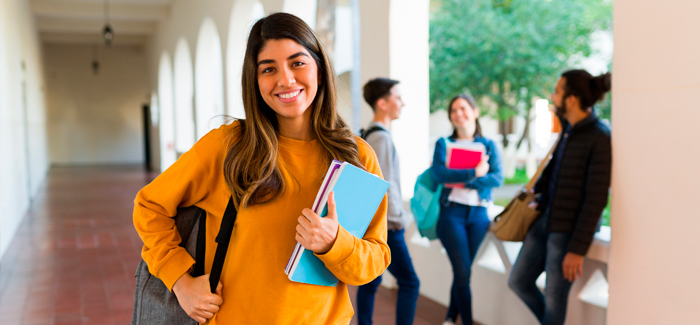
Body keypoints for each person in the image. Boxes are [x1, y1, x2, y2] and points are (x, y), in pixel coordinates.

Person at [133, 13, 391, 325]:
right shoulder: (228, 147)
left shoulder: (356, 156)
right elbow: (150, 207)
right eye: (269, 69)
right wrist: (181, 281)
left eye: (297, 63)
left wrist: (335, 243)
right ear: (255, 81)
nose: (285, 80)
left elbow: (374, 260)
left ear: (320, 71)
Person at [507, 70, 612, 325]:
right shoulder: (568, 130)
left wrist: (577, 248)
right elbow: (554, 171)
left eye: (557, 91)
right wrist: (538, 195)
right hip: (545, 219)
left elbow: (596, 198)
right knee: (518, 281)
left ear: (572, 99)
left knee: (555, 303)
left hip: (568, 233)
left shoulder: (599, 136)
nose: (552, 97)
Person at [430, 94, 504, 325]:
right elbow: (439, 174)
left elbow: (497, 178)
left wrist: (465, 180)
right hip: (452, 213)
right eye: (453, 110)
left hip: (479, 215)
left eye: (463, 108)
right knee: (463, 273)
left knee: (463, 272)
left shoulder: (489, 144)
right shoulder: (444, 143)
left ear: (475, 111)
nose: (458, 114)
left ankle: (451, 317)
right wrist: (474, 173)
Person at [355, 78, 420, 325]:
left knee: (371, 281)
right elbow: (383, 186)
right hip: (387, 225)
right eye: (397, 97)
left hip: (372, 223)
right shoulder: (381, 138)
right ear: (382, 103)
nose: (402, 102)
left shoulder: (367, 134)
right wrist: (396, 221)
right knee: (410, 282)